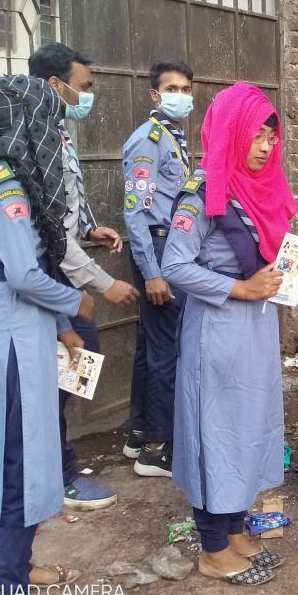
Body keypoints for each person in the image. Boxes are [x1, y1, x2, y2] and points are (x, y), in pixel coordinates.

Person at [0, 74, 94, 595]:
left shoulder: (7, 178)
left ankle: (21, 566)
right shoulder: (7, 186)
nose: (54, 129)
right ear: (25, 123)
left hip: (25, 327)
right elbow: (22, 273)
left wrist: (61, 326)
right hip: (12, 335)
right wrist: (75, 302)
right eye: (47, 119)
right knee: (21, 457)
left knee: (32, 452)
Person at [162, 83, 298, 585]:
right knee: (216, 432)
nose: (266, 146)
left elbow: (270, 251)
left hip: (255, 331)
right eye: (256, 135)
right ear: (231, 132)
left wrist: (287, 268)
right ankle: (212, 546)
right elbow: (174, 265)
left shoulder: (261, 187)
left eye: (272, 136)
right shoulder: (202, 191)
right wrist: (240, 288)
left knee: (249, 426)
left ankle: (237, 525)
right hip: (219, 331)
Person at [28, 43, 138, 511]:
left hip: (63, 277)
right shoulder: (32, 139)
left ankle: (56, 466)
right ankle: (56, 477)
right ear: (56, 85)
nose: (88, 96)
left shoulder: (55, 132)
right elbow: (49, 230)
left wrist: (92, 226)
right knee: (60, 374)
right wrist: (101, 282)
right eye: (84, 87)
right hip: (51, 282)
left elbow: (68, 202)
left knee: (73, 372)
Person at [121, 60, 194, 477]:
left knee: (152, 345)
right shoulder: (148, 141)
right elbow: (136, 212)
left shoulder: (171, 137)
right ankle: (159, 449)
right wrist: (152, 272)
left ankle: (139, 434)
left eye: (185, 89)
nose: (180, 96)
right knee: (167, 348)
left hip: (168, 247)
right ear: (154, 94)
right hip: (159, 249)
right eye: (172, 88)